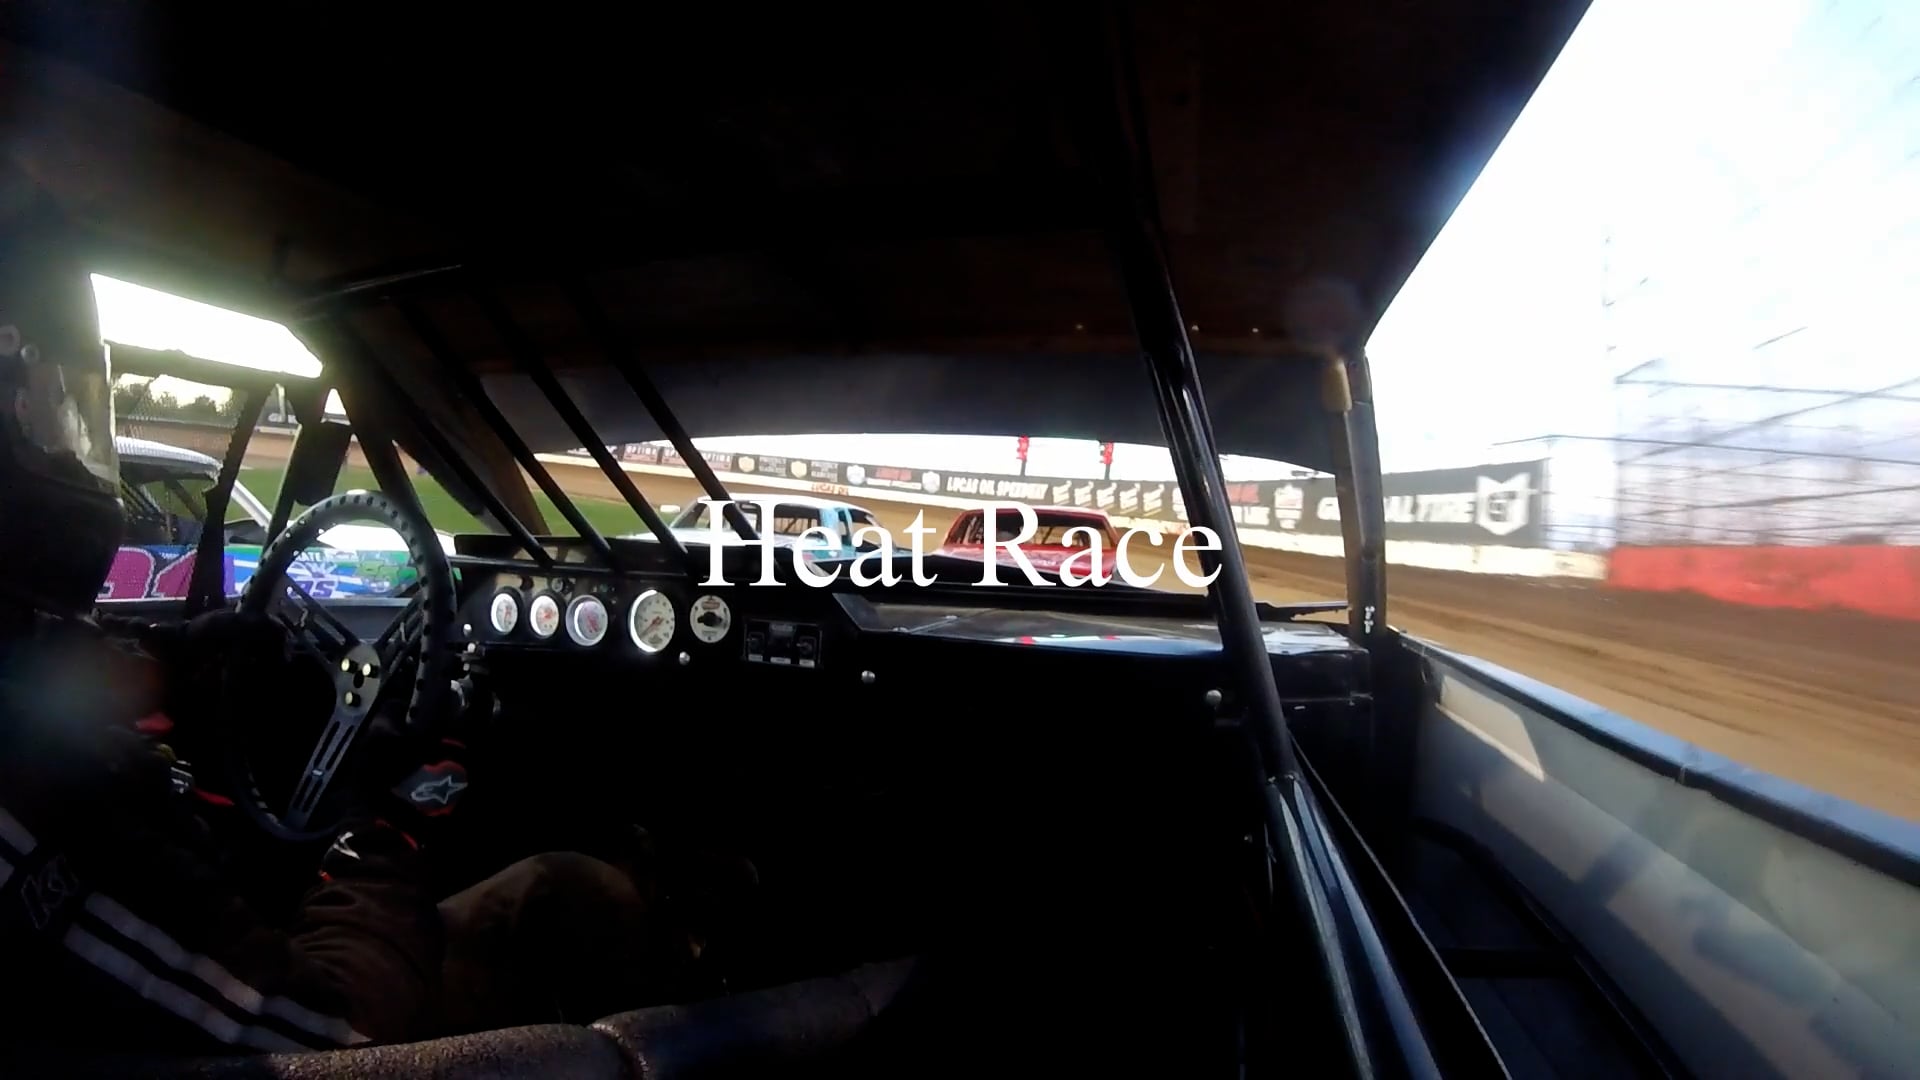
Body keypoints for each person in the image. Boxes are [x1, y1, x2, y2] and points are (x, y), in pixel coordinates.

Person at [0, 223, 699, 1059]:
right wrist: (386, 829)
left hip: (204, 968)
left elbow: (65, 665)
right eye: (43, 417)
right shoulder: (33, 799)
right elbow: (330, 1038)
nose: (69, 453)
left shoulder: (28, 679)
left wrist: (177, 659)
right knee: (569, 892)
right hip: (323, 1031)